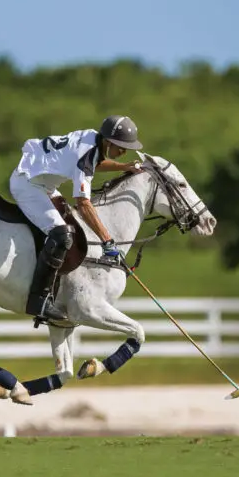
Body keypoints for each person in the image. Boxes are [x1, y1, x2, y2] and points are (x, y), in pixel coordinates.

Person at [10, 115, 144, 322]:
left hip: (44, 186)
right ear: (108, 141)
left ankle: (56, 290)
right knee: (61, 235)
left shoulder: (93, 139)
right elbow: (83, 203)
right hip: (28, 184)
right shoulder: (87, 153)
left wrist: (124, 166)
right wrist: (107, 240)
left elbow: (95, 164)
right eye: (121, 146)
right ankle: (38, 301)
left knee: (71, 227)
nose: (124, 150)